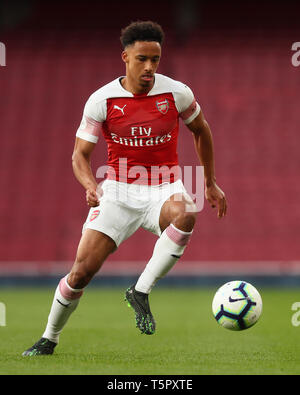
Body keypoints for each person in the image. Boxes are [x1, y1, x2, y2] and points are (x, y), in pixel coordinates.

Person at [23, 21, 227, 356]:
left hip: (164, 187)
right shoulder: (102, 100)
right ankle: (49, 338)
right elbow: (79, 155)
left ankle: (141, 291)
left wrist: (209, 182)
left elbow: (202, 131)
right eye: (142, 59)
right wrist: (90, 185)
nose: (149, 67)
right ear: (126, 57)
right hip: (117, 191)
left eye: (155, 60)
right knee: (80, 273)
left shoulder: (177, 93)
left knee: (187, 212)